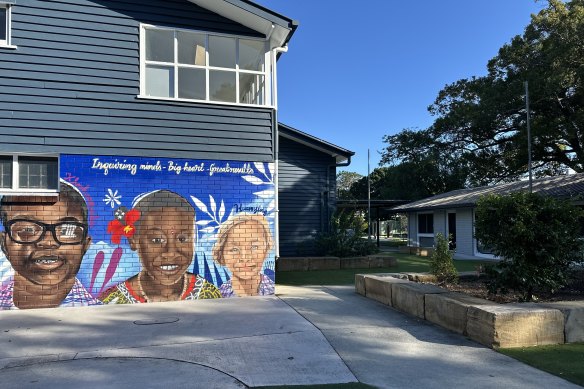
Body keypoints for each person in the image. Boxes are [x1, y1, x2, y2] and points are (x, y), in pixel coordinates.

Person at [99, 190, 221, 303]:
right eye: (156, 240)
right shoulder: (113, 300)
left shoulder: (208, 295)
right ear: (133, 241)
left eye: (182, 239)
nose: (171, 252)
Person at [0, 182, 100, 309]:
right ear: (4, 243)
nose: (48, 242)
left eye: (66, 230)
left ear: (85, 245)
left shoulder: (95, 310)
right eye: (27, 230)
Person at [213, 213, 274, 297]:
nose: (244, 257)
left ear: (266, 250)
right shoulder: (219, 295)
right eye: (234, 249)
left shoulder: (272, 290)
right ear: (221, 254)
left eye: (254, 247)